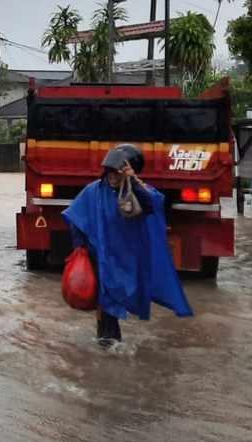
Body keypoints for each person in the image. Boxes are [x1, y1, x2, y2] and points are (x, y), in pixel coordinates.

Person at [63, 143, 193, 347]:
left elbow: (152, 205)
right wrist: (81, 249)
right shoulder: (94, 191)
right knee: (106, 302)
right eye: (110, 172)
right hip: (101, 256)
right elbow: (75, 218)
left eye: (118, 172)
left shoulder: (139, 191)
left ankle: (108, 342)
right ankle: (108, 344)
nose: (113, 177)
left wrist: (132, 180)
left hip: (126, 258)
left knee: (120, 296)